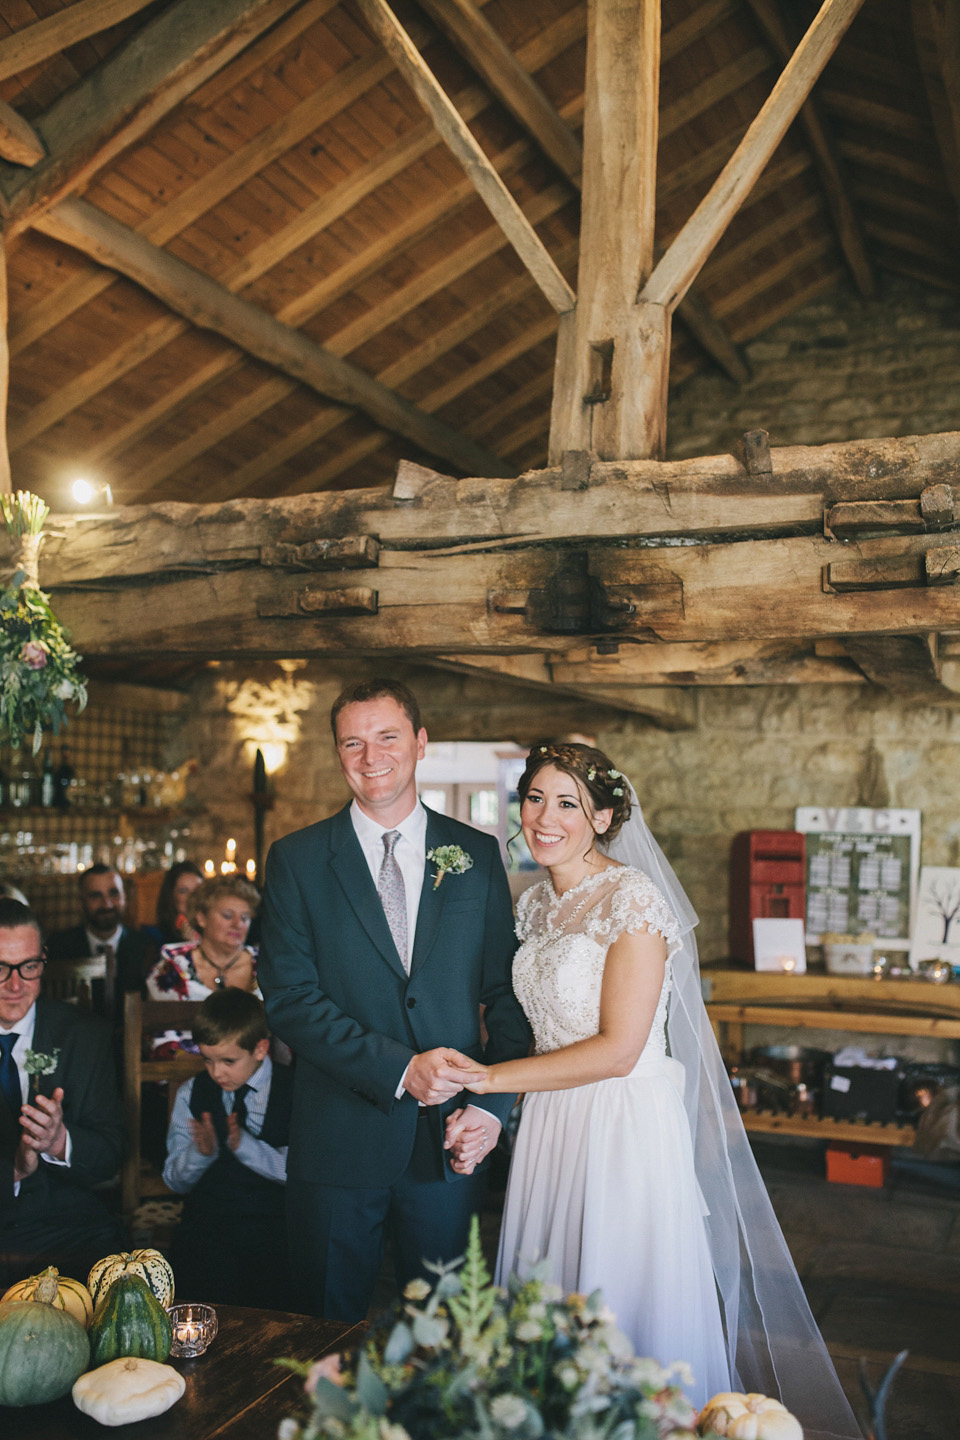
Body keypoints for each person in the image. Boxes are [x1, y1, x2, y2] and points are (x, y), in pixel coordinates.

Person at [450, 742, 861, 1440]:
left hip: (619, 1124)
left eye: (568, 804)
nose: (545, 818)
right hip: (552, 1121)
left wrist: (488, 1081)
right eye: (535, 798)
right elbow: (541, 1030)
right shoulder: (535, 906)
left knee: (618, 1300)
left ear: (604, 816)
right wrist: (502, 1110)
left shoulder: (633, 900)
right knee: (551, 1301)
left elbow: (617, 1050)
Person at [258, 677, 531, 1321]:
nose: (370, 756)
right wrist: (399, 1069)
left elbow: (510, 994)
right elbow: (291, 1000)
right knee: (320, 1332)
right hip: (336, 1142)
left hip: (449, 1143)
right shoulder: (296, 860)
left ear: (420, 743)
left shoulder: (476, 854)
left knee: (445, 1337)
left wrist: (491, 1108)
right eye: (352, 742)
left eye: (386, 737)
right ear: (337, 753)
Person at [0, 897, 124, 1288]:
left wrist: (60, 1142)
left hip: (66, 1228)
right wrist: (14, 1169)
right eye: (0, 968)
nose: (16, 985)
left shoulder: (84, 1036)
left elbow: (109, 1157)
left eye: (29, 967)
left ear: (43, 960)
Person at [162, 987, 292, 1308]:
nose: (216, 1072)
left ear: (261, 1048)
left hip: (276, 1225)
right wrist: (200, 1154)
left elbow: (301, 1173)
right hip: (210, 1223)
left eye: (228, 1061)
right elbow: (173, 1180)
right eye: (207, 1060)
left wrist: (245, 1147)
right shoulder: (192, 1093)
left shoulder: (296, 1090)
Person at [45, 863, 154, 1010]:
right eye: (96, 896)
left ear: (124, 898)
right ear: (80, 903)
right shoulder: (58, 947)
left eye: (114, 894)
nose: (107, 904)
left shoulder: (147, 947)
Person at [145, 875, 259, 1003]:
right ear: (201, 918)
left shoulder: (266, 965)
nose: (238, 924)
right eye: (227, 916)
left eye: (245, 917)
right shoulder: (172, 969)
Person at [141, 861, 203, 950]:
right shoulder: (153, 936)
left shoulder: (215, 933)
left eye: (197, 890)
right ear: (171, 896)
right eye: (183, 891)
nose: (192, 897)